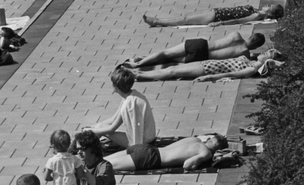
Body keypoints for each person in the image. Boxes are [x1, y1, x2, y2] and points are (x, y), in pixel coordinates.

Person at [82, 65, 155, 150]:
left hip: (142, 142)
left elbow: (111, 129)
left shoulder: (128, 104)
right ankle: (89, 146)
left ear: (116, 87)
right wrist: (94, 126)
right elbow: (113, 119)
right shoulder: (130, 95)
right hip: (147, 137)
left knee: (102, 129)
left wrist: (90, 131)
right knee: (100, 127)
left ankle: (87, 148)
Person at [126, 30, 266, 70]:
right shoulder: (245, 54)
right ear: (256, 46)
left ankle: (139, 61)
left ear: (251, 36)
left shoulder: (236, 35)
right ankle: (141, 63)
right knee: (169, 59)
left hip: (201, 45)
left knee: (166, 53)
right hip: (203, 57)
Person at [129, 50, 282, 83]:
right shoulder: (252, 61)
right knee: (173, 69)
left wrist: (208, 77)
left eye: (268, 53)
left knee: (172, 71)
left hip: (208, 70)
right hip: (208, 64)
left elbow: (232, 76)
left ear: (267, 62)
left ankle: (139, 75)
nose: (265, 51)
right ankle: (138, 71)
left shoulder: (252, 69)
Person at [105, 134, 228, 173]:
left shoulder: (195, 139)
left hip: (147, 148)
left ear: (210, 139)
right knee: (105, 166)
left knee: (103, 160)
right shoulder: (206, 152)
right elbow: (187, 165)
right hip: (152, 158)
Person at [143, 2, 283, 27]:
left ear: (270, 14)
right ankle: (158, 20)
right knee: (185, 17)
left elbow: (239, 21)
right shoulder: (257, 11)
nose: (268, 5)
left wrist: (220, 22)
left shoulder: (256, 16)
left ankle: (156, 21)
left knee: (185, 19)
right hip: (217, 12)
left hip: (217, 17)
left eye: (270, 7)